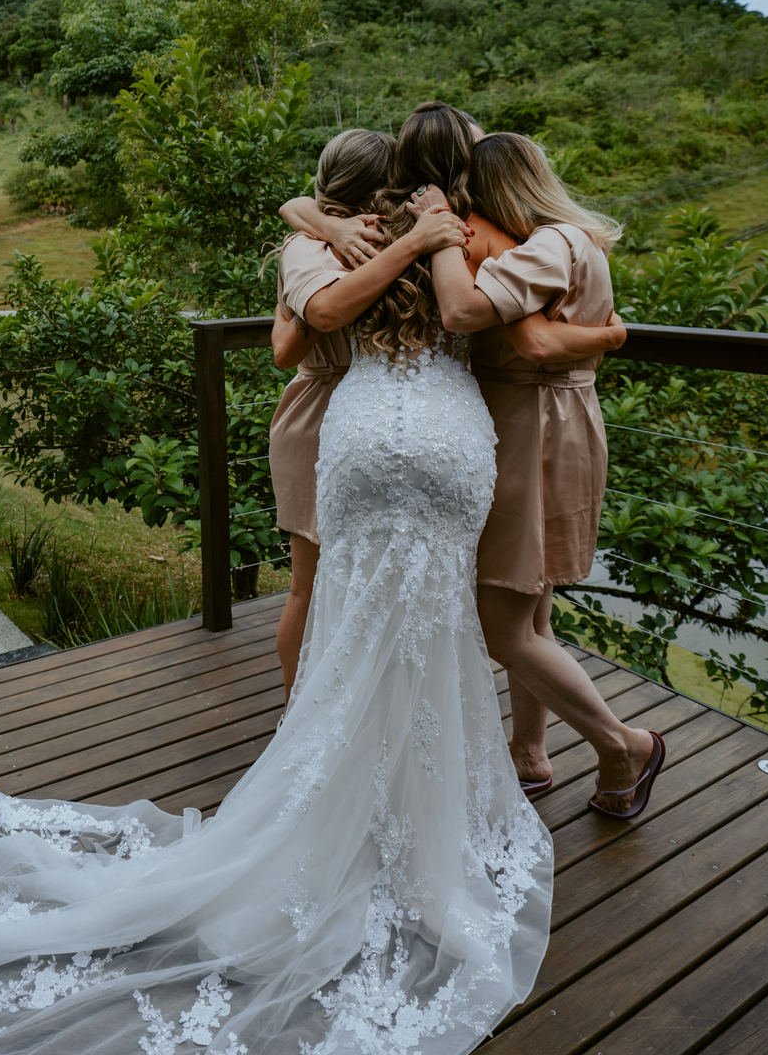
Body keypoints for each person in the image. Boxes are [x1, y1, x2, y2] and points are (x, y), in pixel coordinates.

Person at [0, 179, 553, 1055]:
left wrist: (324, 222)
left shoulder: (344, 236)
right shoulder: (459, 250)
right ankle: (397, 825)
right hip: (440, 445)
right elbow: (444, 329)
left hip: (377, 442)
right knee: (403, 641)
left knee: (372, 641)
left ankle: (372, 815)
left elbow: (308, 288)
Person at [279, 104, 628, 733]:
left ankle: (332, 736)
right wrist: (608, 337)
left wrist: (323, 223)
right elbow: (522, 330)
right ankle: (503, 748)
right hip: (459, 426)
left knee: (347, 587)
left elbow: (302, 235)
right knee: (468, 600)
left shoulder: (359, 231)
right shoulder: (486, 235)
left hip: (363, 421)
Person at [428, 132, 664, 820]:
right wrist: (609, 337)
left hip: (528, 427)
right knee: (528, 607)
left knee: (500, 625)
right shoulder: (577, 242)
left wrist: (449, 242)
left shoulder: (545, 249)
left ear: (496, 192)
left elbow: (503, 328)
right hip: (561, 419)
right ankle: (529, 755)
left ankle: (625, 746)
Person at [269, 126, 471, 700]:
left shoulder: (389, 234)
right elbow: (286, 350)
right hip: (319, 415)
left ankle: (361, 708)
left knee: (369, 584)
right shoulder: (313, 245)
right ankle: (297, 716)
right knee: (309, 586)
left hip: (388, 417)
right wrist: (323, 237)